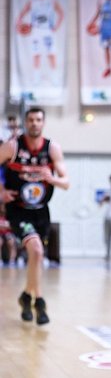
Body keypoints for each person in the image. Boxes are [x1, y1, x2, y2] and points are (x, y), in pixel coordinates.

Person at [0, 107, 69, 324]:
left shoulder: (52, 148)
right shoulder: (13, 146)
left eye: (38, 120)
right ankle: (39, 300)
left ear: (43, 123)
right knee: (36, 249)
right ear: (25, 122)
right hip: (18, 209)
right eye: (31, 120)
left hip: (41, 211)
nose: (34, 123)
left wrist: (51, 178)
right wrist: (1, 191)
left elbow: (66, 182)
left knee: (36, 256)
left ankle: (26, 296)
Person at [16, 0, 64, 85]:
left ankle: (55, 77)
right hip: (36, 31)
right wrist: (19, 24)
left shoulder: (51, 1)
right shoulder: (32, 2)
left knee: (51, 54)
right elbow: (21, 14)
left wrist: (56, 26)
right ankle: (36, 78)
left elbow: (61, 13)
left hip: (48, 30)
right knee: (36, 54)